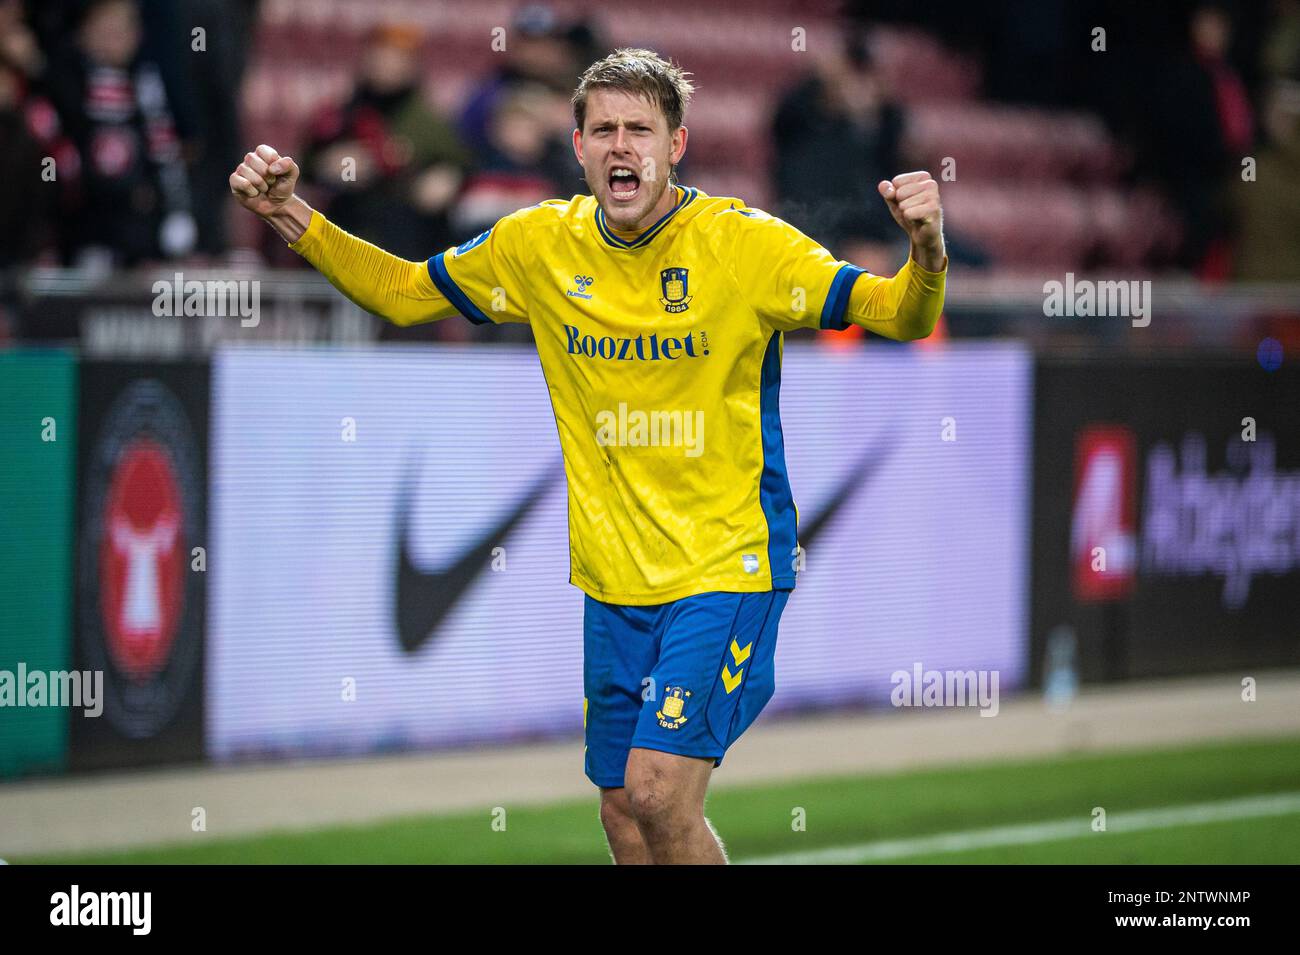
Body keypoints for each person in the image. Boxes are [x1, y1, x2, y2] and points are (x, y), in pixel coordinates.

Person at [229, 48, 947, 865]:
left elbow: (900, 317)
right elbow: (402, 292)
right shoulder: (541, 244)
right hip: (612, 582)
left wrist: (926, 252)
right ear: (575, 147)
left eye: (641, 129)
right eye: (601, 129)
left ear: (677, 146)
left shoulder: (743, 246)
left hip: (726, 566)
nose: (620, 146)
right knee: (620, 813)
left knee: (657, 790)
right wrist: (292, 215)